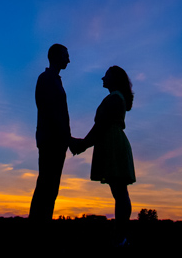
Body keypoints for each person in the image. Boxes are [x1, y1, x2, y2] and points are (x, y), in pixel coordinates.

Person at [73, 65, 135, 245]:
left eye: (106, 75)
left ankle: (120, 236)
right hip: (112, 142)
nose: (102, 78)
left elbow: (100, 126)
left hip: (113, 143)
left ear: (114, 78)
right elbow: (100, 127)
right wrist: (84, 143)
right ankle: (120, 235)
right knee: (119, 192)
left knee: (120, 192)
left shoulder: (114, 98)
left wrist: (83, 144)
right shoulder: (116, 97)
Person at [29, 44, 83, 223]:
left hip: (57, 141)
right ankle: (37, 226)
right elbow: (51, 112)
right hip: (51, 140)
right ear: (55, 56)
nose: (69, 60)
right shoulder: (46, 78)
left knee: (50, 187)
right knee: (46, 185)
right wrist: (68, 139)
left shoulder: (55, 80)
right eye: (66, 55)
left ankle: (41, 224)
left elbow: (58, 114)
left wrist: (67, 139)